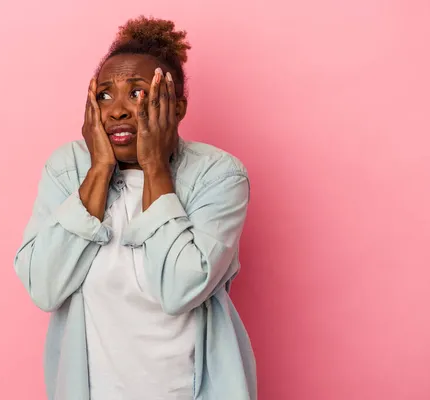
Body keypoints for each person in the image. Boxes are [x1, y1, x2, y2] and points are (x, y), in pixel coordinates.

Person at [14, 16, 257, 400]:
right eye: (105, 95)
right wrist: (99, 170)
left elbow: (180, 290)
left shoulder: (218, 175)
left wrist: (154, 166)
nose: (118, 111)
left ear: (176, 109)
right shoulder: (67, 169)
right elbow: (44, 288)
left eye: (138, 93)